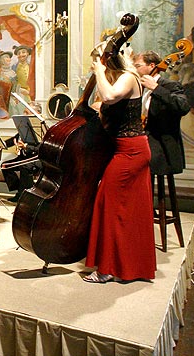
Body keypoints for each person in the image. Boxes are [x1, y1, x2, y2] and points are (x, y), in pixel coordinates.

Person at [84, 39, 155, 283]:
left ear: (109, 59)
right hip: (126, 149)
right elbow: (105, 103)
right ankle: (129, 265)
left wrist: (99, 72)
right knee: (128, 210)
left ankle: (107, 269)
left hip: (131, 151)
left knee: (108, 203)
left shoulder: (127, 76)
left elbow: (110, 96)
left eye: (101, 59)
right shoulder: (120, 78)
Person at [134, 50, 191, 184]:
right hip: (143, 140)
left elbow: (183, 107)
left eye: (137, 66)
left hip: (161, 144)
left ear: (152, 65)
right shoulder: (139, 87)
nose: (134, 69)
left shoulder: (170, 85)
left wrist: (155, 88)